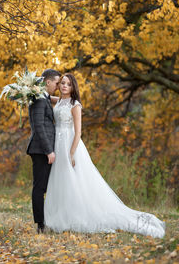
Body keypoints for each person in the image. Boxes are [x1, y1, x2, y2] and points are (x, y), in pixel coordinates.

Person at [44, 73, 165, 238]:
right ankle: (61, 216)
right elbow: (45, 96)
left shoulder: (75, 104)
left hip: (69, 144)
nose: (64, 86)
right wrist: (30, 92)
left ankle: (77, 216)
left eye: (68, 84)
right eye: (62, 83)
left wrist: (71, 153)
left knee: (74, 179)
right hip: (57, 144)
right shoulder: (59, 101)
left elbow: (78, 132)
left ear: (73, 87)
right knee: (61, 180)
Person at [27, 69, 61, 234]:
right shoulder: (40, 99)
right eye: (56, 83)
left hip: (42, 149)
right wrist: (49, 151)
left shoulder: (43, 97)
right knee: (39, 188)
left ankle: (44, 221)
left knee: (43, 186)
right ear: (48, 82)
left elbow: (51, 100)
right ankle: (40, 225)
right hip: (41, 150)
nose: (58, 86)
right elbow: (39, 127)